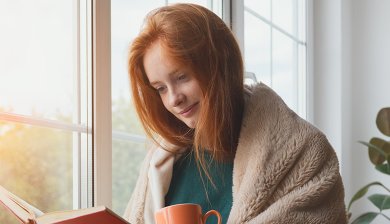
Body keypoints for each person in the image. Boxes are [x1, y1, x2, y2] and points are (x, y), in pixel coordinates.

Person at [123, 3, 347, 224]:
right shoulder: (160, 164)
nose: (173, 99)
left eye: (182, 77)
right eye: (161, 88)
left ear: (220, 65)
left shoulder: (305, 152)